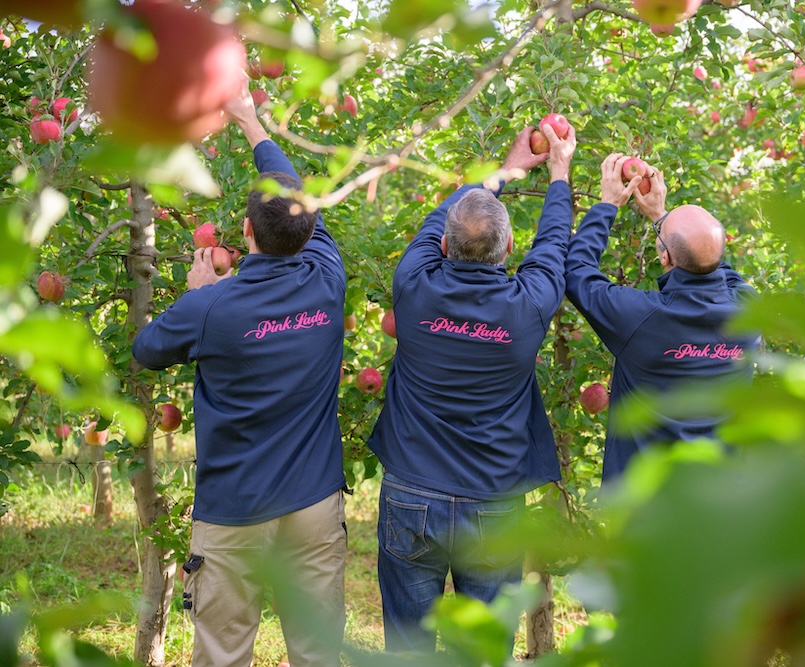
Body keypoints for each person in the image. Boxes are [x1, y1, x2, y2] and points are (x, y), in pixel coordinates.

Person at [131, 76, 348, 667]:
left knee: (223, 653)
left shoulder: (210, 308)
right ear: (309, 232)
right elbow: (300, 197)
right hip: (313, 503)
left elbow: (147, 350)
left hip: (234, 512)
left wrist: (195, 292)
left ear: (246, 232)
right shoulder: (329, 279)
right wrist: (253, 122)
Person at [367, 122, 577, 653]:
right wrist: (558, 173)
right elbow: (553, 246)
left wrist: (506, 168)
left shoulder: (412, 287)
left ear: (441, 246)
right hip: (493, 503)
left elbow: (445, 215)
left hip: (412, 494)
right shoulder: (527, 308)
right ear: (508, 247)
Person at [565, 154, 761, 486]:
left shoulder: (641, 318)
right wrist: (662, 216)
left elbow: (577, 273)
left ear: (664, 257)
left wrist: (607, 205)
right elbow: (714, 265)